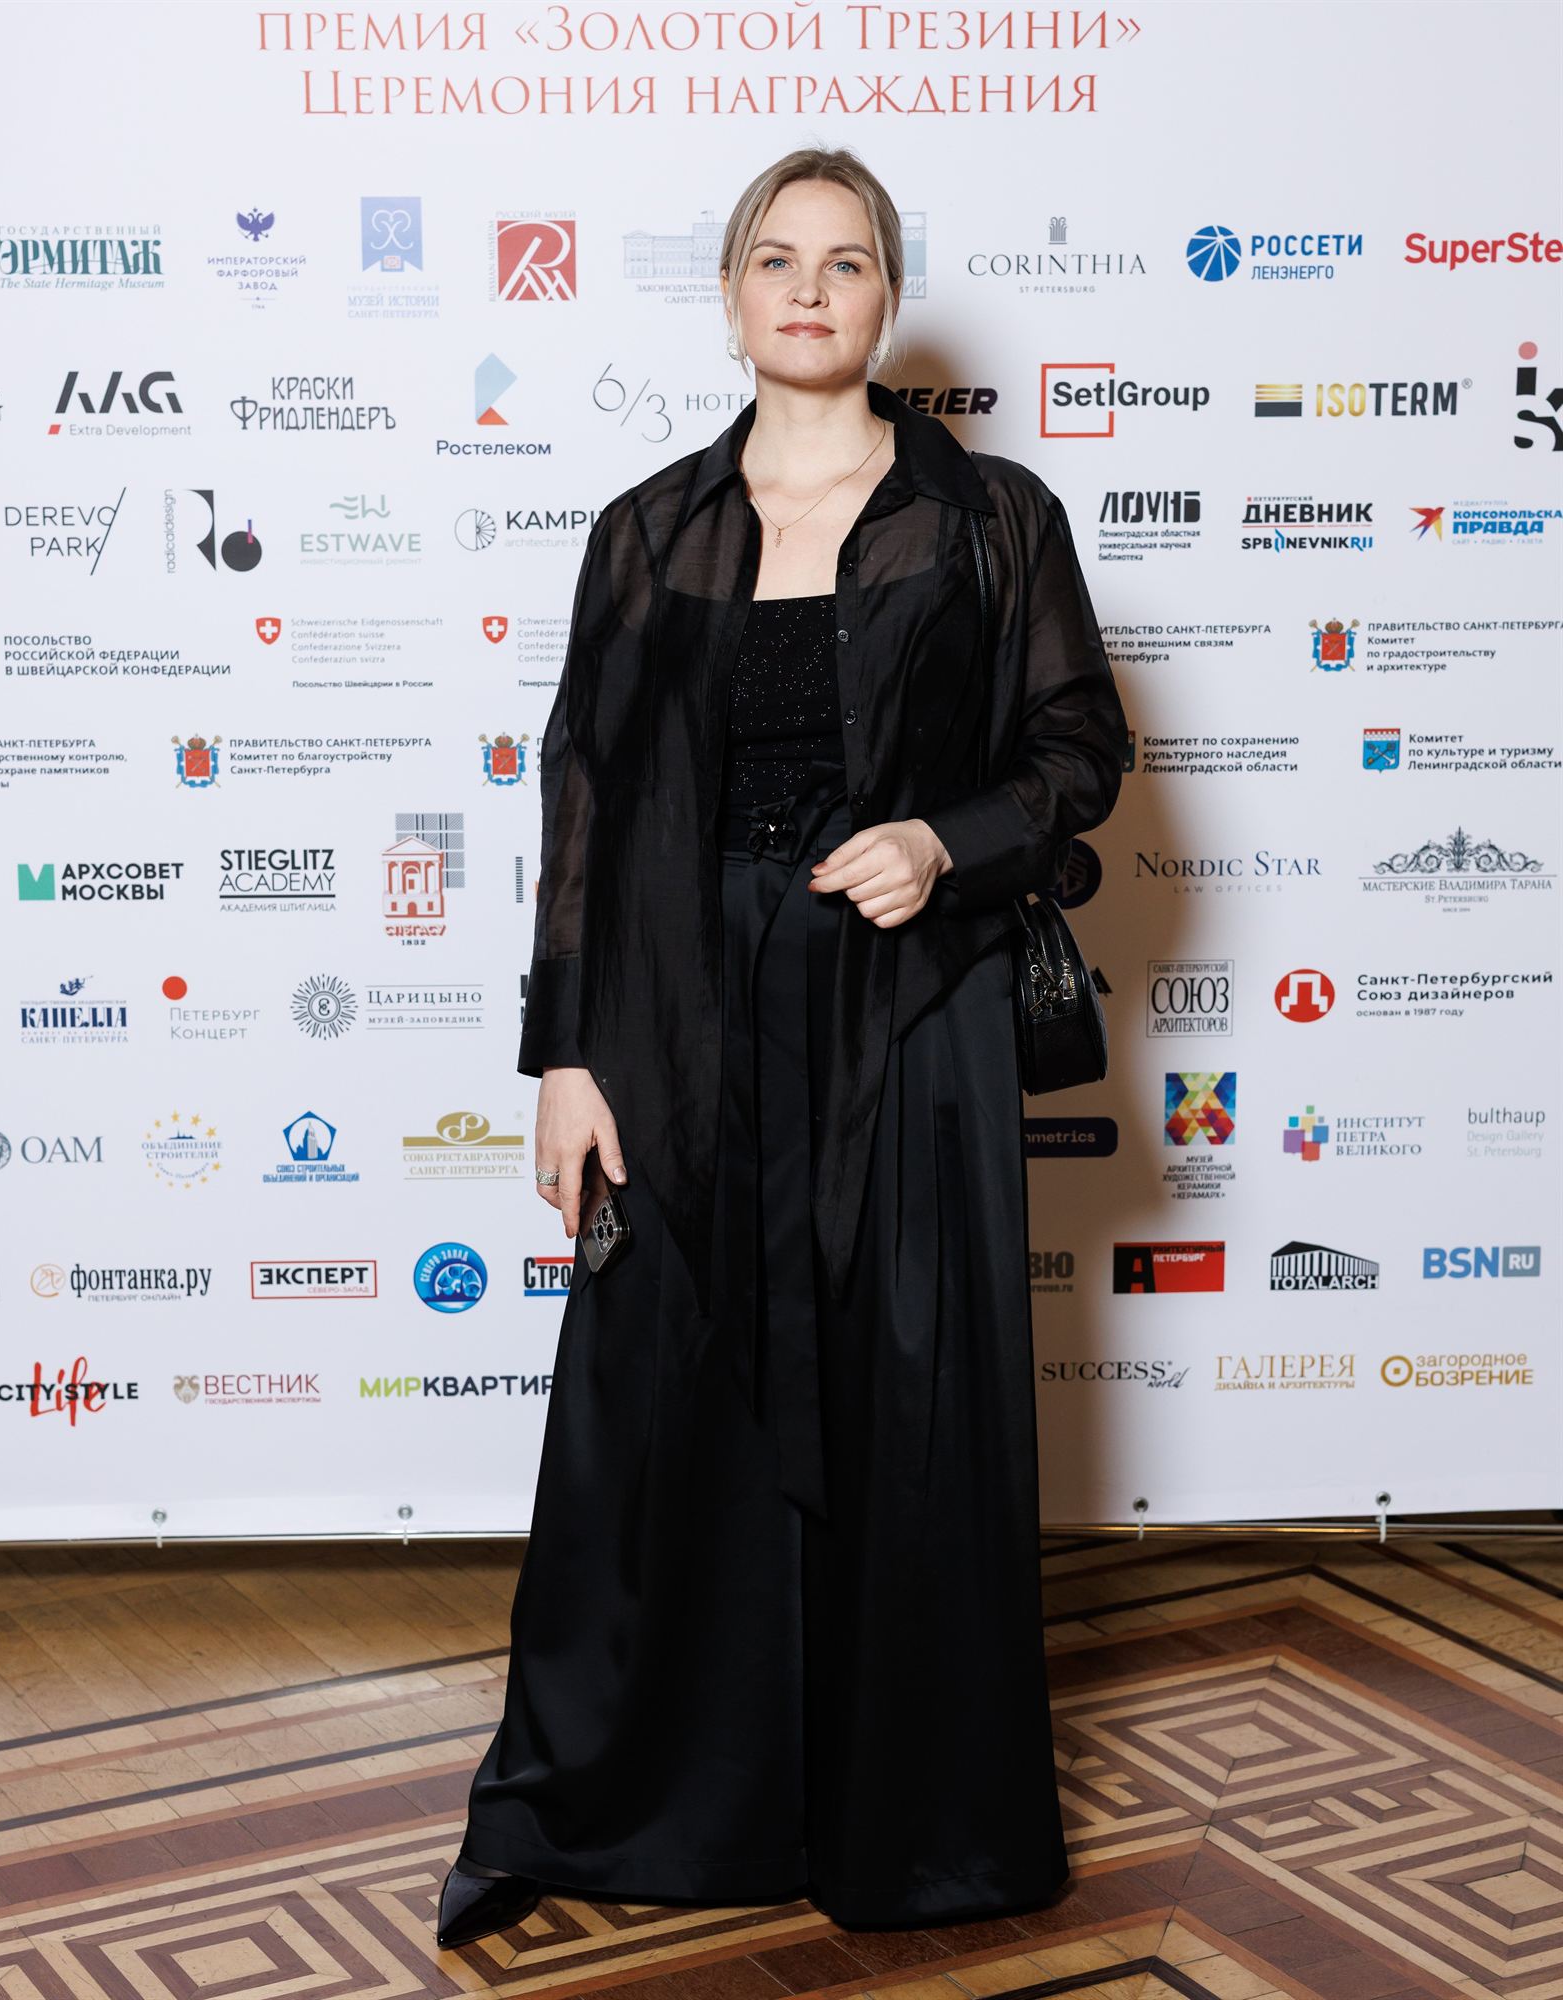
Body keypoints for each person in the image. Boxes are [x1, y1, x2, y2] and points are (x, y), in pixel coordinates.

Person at [437, 144, 1128, 1945]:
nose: (810, 289)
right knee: (648, 1409)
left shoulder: (993, 518)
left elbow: (1078, 750)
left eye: (846, 260)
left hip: (914, 1016)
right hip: (677, 1020)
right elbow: (584, 801)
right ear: (733, 294)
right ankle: (584, 1807)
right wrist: (566, 1056)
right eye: (776, 258)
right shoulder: (646, 529)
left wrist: (944, 843)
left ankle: (916, 1826)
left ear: (888, 297)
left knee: (911, 1404)